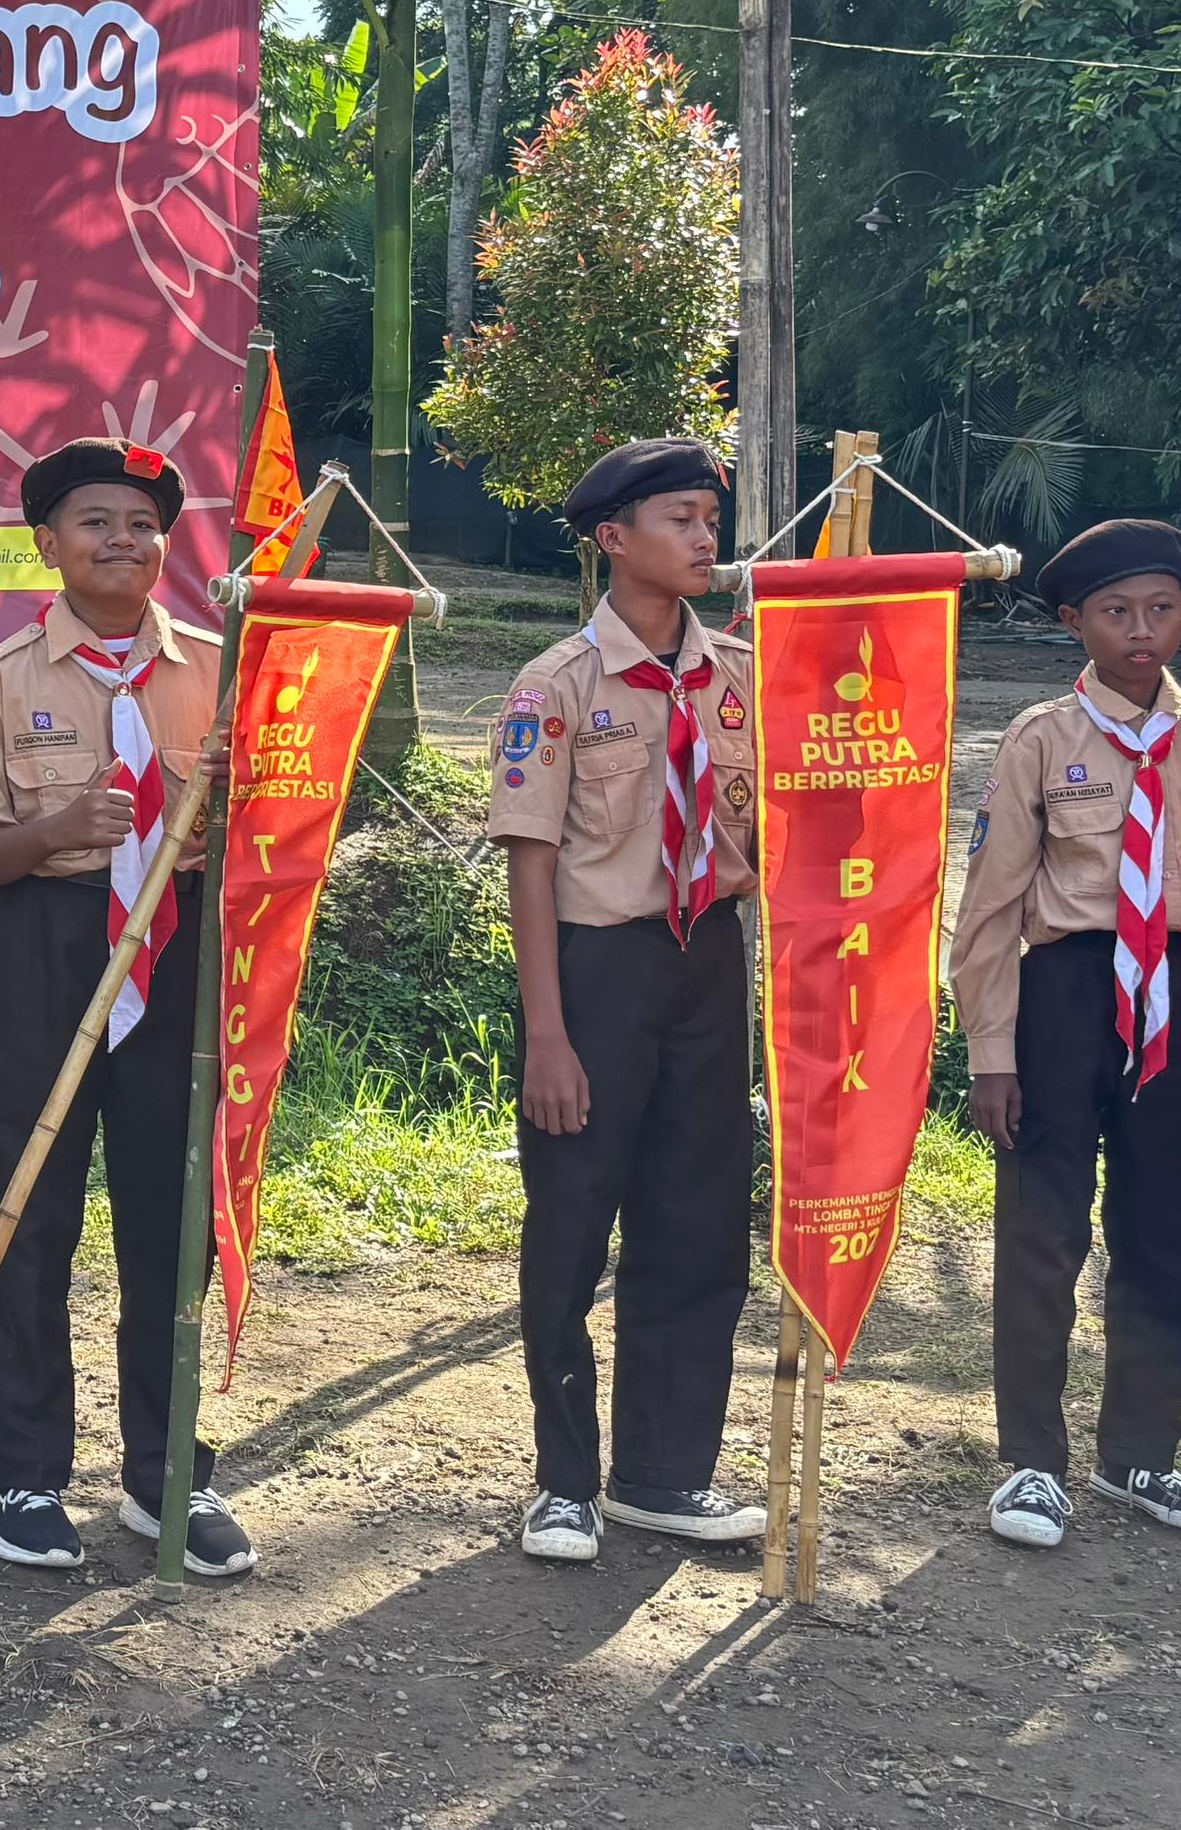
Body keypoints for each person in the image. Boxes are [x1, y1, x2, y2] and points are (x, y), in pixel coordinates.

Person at [0, 438, 257, 1579]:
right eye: (93, 521)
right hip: (47, 945)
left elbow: (271, 839)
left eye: (141, 522)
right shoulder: (6, 677)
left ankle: (165, 1471)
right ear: (46, 544)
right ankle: (20, 1474)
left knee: (167, 1226)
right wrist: (51, 835)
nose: (120, 540)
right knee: (29, 1215)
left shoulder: (224, 669)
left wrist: (228, 842)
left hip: (177, 951)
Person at [950, 519, 1181, 1550]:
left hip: (1171, 988)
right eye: (1115, 612)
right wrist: (989, 1053)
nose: (1140, 631)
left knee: (1163, 1226)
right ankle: (1030, 1464)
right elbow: (990, 910)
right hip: (1062, 992)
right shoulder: (1040, 739)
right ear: (1070, 621)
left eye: (1159, 609)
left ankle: (1140, 1456)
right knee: (1042, 1230)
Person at [489, 437, 771, 1565]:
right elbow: (530, 864)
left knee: (699, 1220)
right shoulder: (555, 687)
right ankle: (563, 1482)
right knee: (571, 1219)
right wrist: (546, 1035)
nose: (706, 538)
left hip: (709, 959)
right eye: (680, 520)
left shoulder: (741, 675)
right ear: (613, 538)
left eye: (711, 518)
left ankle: (662, 1472)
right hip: (595, 968)